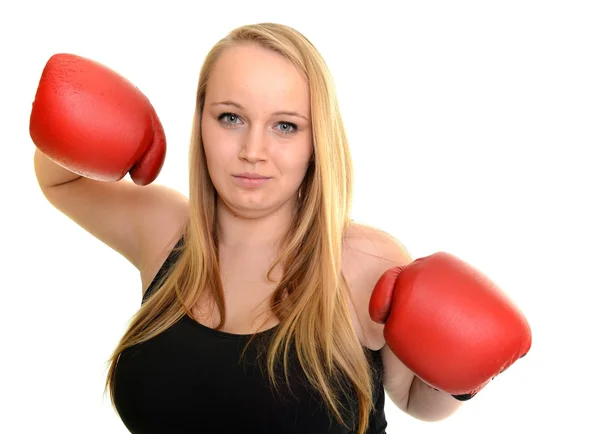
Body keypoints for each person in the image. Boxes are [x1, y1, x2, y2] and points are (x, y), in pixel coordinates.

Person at [30, 23, 532, 434]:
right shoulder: (163, 228)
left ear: (318, 140)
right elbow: (62, 181)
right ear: (200, 121)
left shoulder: (365, 261)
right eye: (230, 118)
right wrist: (94, 124)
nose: (253, 149)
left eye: (285, 125)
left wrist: (461, 373)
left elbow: (415, 399)